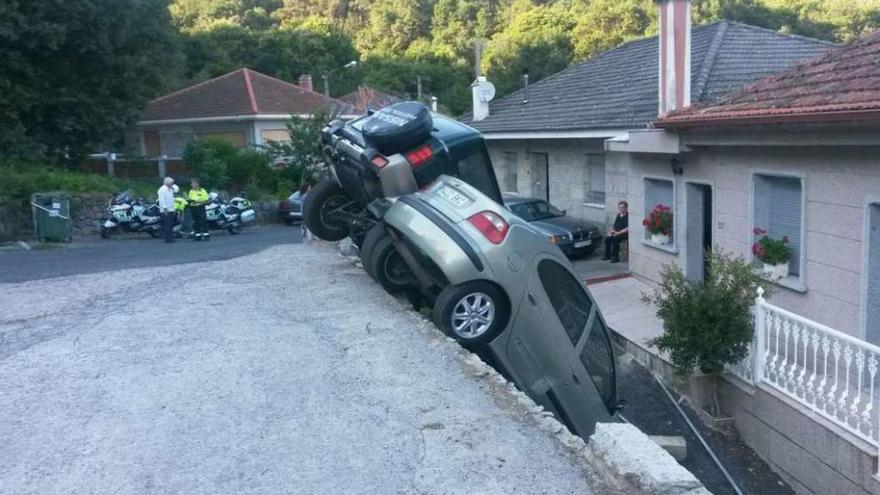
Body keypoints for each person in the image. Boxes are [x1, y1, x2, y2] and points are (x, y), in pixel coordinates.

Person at [157, 177, 176, 243]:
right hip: (166, 210)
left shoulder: (170, 189)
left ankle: (171, 237)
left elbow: (172, 199)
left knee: (170, 224)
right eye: (171, 183)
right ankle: (167, 238)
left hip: (171, 209)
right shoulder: (162, 190)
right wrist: (165, 208)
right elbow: (162, 200)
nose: (172, 184)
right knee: (167, 224)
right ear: (167, 183)